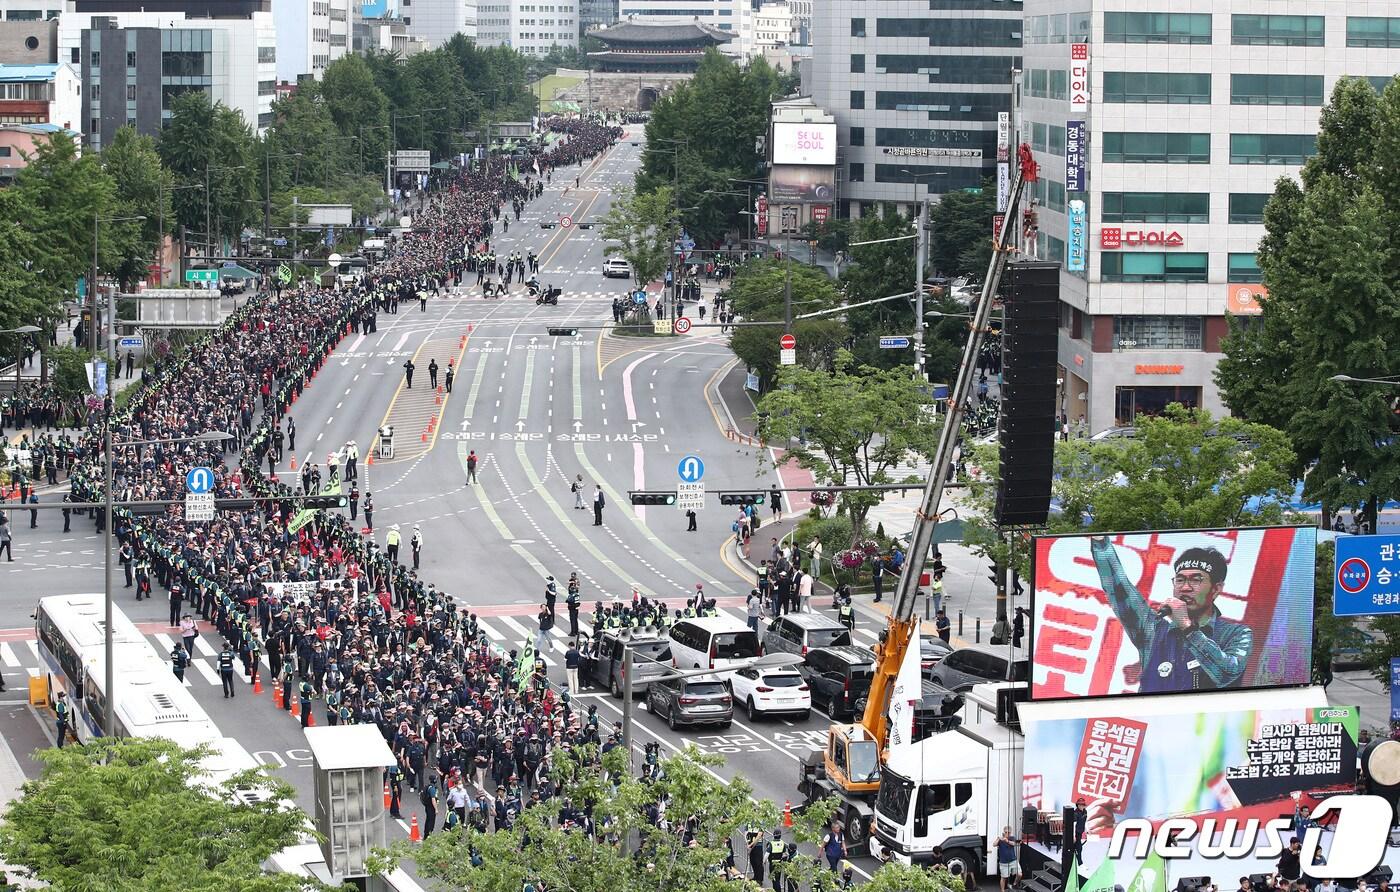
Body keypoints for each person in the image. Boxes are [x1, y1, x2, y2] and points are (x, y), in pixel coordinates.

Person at [1089, 538, 1252, 692]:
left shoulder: (1236, 634)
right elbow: (1118, 588)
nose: (1185, 588)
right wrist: (1101, 544)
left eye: (1196, 580)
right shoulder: (1153, 629)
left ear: (1216, 589)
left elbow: (1227, 674)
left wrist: (1188, 629)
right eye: (1180, 580)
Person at [997, 826, 1021, 892]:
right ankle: (1002, 890)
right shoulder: (1001, 839)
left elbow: (1013, 844)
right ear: (1003, 832)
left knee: (1019, 874)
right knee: (1003, 878)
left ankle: (1014, 884)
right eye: (1006, 832)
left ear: (1011, 833)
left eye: (1009, 832)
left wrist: (1007, 841)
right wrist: (999, 839)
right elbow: (994, 844)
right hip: (1003, 862)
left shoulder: (1012, 838)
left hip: (1013, 861)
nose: (1007, 834)